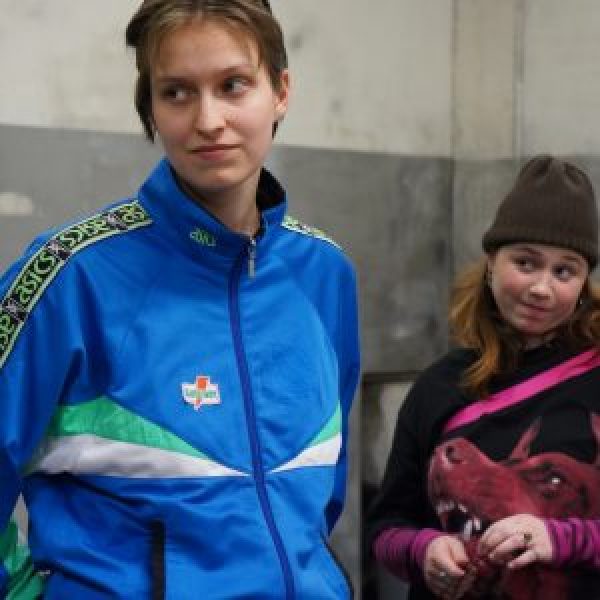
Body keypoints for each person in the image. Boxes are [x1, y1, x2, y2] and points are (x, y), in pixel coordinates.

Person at [0, 1, 360, 598]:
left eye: (233, 85)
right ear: (151, 109)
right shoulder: (68, 274)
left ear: (281, 92)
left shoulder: (325, 273)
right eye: (177, 93)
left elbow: (319, 497)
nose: (209, 119)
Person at [366, 155, 600, 599]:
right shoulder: (438, 386)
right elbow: (386, 529)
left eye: (564, 270)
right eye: (525, 263)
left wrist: (562, 538)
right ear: (492, 262)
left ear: (584, 280)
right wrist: (423, 549)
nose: (541, 288)